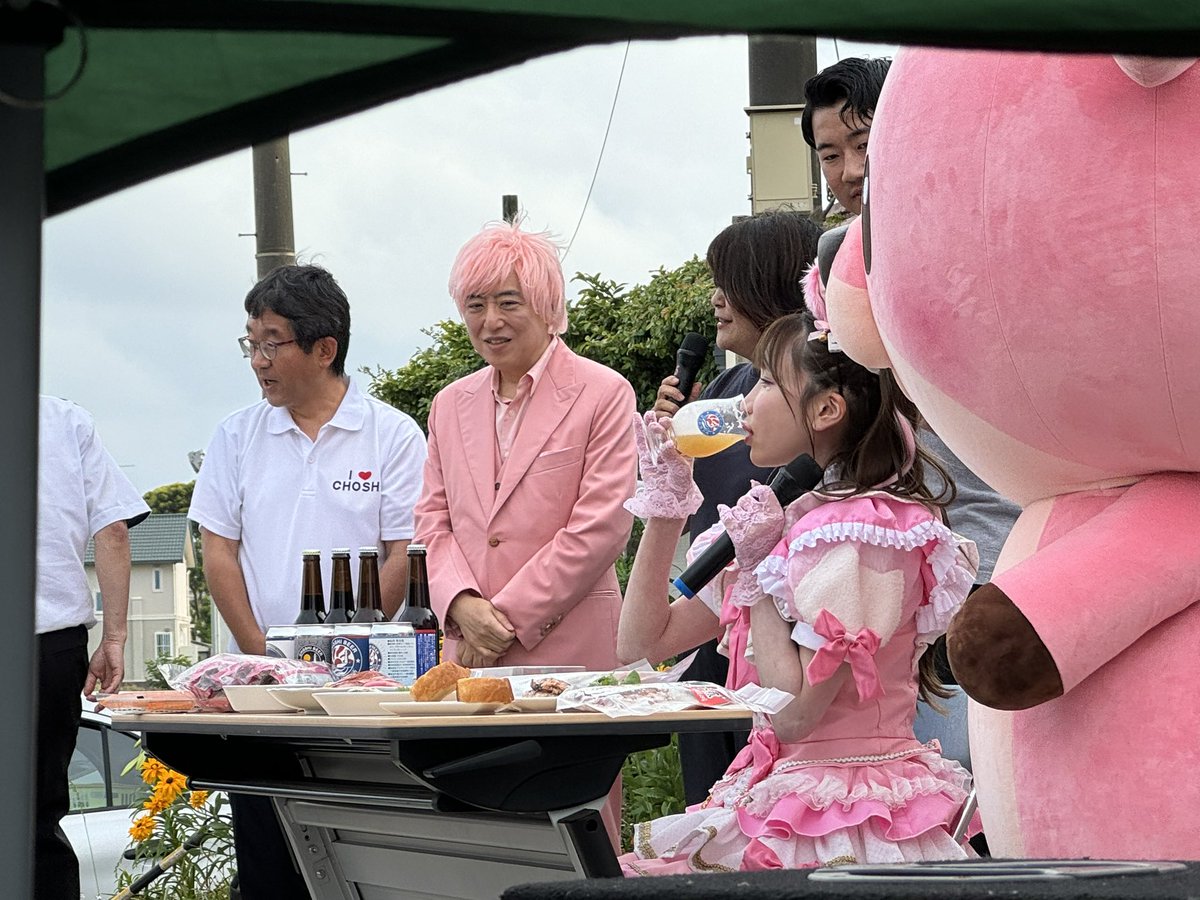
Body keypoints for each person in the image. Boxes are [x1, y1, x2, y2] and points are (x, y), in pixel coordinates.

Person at [616, 303, 979, 874]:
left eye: (764, 381)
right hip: (778, 790)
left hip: (853, 815)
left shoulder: (861, 534)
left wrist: (757, 579)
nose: (744, 403)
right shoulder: (784, 521)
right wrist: (665, 508)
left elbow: (794, 716)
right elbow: (643, 643)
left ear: (827, 408)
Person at [189, 264, 426, 899]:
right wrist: (264, 657)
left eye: (272, 343)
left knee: (363, 856)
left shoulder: (393, 434)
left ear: (325, 349)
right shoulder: (235, 436)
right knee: (267, 861)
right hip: (263, 692)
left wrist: (352, 646)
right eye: (251, 343)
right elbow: (219, 552)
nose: (258, 361)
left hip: (363, 688)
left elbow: (404, 550)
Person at [653, 210, 823, 805]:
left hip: (794, 649)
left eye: (731, 281)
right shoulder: (724, 391)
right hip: (711, 634)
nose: (716, 299)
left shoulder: (827, 395)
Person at [414, 221, 637, 672]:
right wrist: (460, 604)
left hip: (572, 660)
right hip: (468, 663)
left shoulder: (604, 392)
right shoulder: (449, 405)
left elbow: (601, 527)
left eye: (508, 302)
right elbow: (431, 524)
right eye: (475, 305)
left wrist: (500, 623)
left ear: (548, 307)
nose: (490, 320)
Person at [36, 395, 150, 900]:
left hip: (47, 639)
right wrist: (116, 637)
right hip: (47, 645)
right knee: (37, 817)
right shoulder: (61, 419)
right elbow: (114, 530)